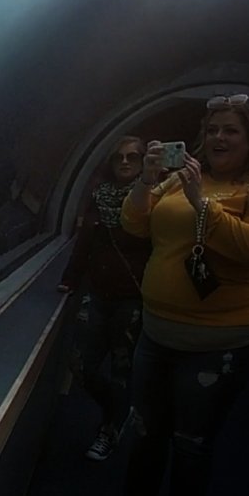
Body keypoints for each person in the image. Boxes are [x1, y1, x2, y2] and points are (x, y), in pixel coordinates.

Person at [80, 94, 249, 496]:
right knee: (146, 428)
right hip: (158, 333)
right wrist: (149, 180)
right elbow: (135, 223)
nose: (218, 137)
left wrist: (201, 205)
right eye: (213, 128)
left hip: (220, 343)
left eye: (230, 130)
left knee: (191, 442)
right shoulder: (179, 177)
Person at [57, 135, 151, 461]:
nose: (125, 162)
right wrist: (69, 278)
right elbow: (84, 242)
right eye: (119, 157)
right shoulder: (99, 197)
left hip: (133, 299)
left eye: (133, 157)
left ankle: (108, 431)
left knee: (121, 369)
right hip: (97, 293)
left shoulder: (153, 199)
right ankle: (118, 410)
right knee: (80, 363)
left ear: (144, 163)